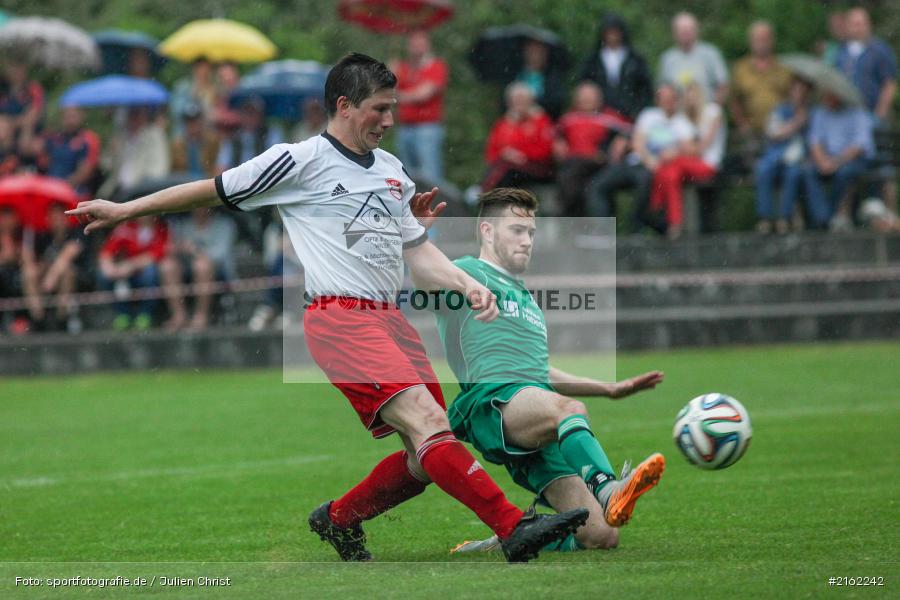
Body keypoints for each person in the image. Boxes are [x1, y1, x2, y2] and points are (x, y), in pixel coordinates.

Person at [67, 53, 589, 563]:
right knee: (430, 421)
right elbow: (211, 190)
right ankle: (514, 527)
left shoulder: (391, 172)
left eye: (393, 108)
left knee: (425, 456)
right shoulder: (298, 160)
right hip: (339, 318)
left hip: (391, 321)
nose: (389, 120)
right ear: (344, 105)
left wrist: (464, 284)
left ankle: (338, 519)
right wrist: (127, 208)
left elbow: (419, 254)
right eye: (379, 109)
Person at [419, 188, 665, 553]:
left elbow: (540, 372)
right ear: (487, 231)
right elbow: (424, 279)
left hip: (532, 410)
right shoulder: (468, 273)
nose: (527, 240)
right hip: (493, 404)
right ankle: (609, 487)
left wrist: (609, 388)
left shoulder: (527, 299)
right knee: (567, 409)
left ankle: (509, 536)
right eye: (517, 230)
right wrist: (416, 236)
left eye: (531, 233)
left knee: (600, 536)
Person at [649, 82, 724, 239]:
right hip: (687, 165)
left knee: (670, 164)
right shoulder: (683, 119)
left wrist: (675, 152)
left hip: (708, 164)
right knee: (671, 175)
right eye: (687, 98)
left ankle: (656, 205)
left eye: (694, 97)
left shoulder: (713, 112)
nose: (691, 101)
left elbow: (701, 149)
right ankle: (674, 223)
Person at [553, 82, 631, 216]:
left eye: (590, 97)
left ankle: (567, 219)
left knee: (570, 176)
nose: (586, 100)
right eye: (583, 97)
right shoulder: (569, 118)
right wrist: (558, 142)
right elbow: (554, 133)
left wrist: (623, 140)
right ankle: (575, 220)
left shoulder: (609, 117)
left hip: (599, 160)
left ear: (599, 99)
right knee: (572, 177)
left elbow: (630, 130)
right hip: (573, 162)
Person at [802, 91, 875, 230]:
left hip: (852, 160)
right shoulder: (820, 113)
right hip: (826, 159)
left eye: (830, 95)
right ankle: (822, 217)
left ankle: (829, 216)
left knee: (844, 173)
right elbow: (815, 142)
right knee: (807, 171)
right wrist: (822, 161)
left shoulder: (857, 113)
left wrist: (835, 162)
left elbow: (859, 146)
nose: (826, 99)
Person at [160, 208, 237, 331]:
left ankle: (201, 315)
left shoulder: (224, 224)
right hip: (187, 269)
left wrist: (195, 251)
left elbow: (220, 255)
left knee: (201, 266)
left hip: (217, 271)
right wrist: (179, 248)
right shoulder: (182, 224)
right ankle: (179, 315)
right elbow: (171, 249)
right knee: (167, 266)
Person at [754, 77, 814, 233]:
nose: (799, 94)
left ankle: (784, 218)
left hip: (798, 160)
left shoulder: (813, 113)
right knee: (763, 170)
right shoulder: (781, 110)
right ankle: (765, 218)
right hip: (776, 157)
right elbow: (773, 133)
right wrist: (796, 123)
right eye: (796, 90)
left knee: (793, 174)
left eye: (803, 91)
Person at [729, 21, 792, 164]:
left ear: (772, 41)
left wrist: (787, 125)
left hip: (779, 130)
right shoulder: (741, 68)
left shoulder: (784, 68)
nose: (761, 43)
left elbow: (793, 99)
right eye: (757, 39)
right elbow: (734, 100)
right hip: (752, 131)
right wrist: (742, 124)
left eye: (764, 39)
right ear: (751, 41)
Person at [392, 31, 449, 185]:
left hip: (427, 128)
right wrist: (390, 73)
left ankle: (435, 206)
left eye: (420, 43)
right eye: (413, 43)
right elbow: (387, 91)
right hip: (405, 127)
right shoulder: (403, 68)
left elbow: (422, 95)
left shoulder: (436, 66)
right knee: (406, 175)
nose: (417, 47)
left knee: (430, 174)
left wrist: (399, 95)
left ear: (427, 45)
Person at [20, 202, 85, 332]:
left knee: (66, 272)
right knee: (29, 274)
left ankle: (62, 319)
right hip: (47, 278)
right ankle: (38, 319)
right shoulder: (44, 236)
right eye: (53, 217)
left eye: (60, 217)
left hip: (78, 278)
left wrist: (51, 277)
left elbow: (67, 256)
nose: (57, 221)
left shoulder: (76, 232)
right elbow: (40, 261)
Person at [96, 216, 169, 331]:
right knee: (103, 275)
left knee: (150, 273)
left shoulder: (162, 229)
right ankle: (122, 314)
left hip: (144, 272)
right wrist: (109, 268)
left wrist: (131, 265)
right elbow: (106, 252)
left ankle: (145, 314)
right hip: (124, 273)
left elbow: (158, 253)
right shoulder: (125, 229)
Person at [578, 13, 653, 121]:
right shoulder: (593, 60)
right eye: (609, 32)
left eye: (615, 32)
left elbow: (645, 88)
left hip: (630, 114)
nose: (612, 36)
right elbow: (585, 85)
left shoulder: (636, 59)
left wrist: (637, 110)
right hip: (599, 115)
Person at [481, 82, 554, 192]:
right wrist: (506, 153)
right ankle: (484, 192)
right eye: (515, 100)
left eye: (522, 100)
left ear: (531, 101)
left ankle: (482, 191)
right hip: (508, 166)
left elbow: (545, 150)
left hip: (534, 168)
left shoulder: (540, 120)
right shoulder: (504, 123)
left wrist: (521, 155)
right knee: (503, 168)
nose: (519, 104)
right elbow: (491, 152)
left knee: (506, 171)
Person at [834, 7, 897, 125]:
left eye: (861, 24)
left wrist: (880, 113)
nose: (858, 28)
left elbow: (889, 84)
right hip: (844, 113)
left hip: (870, 113)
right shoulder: (841, 52)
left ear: (868, 25)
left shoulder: (880, 50)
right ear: (847, 26)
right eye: (854, 24)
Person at [25, 107, 101, 196]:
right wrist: (28, 125)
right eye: (67, 116)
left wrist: (61, 189)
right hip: (50, 189)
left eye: (73, 116)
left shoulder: (88, 140)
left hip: (76, 192)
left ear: (82, 116)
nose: (70, 120)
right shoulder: (54, 137)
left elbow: (85, 172)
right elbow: (27, 149)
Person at [658, 12, 729, 105]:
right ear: (674, 33)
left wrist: (714, 108)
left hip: (707, 113)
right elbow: (663, 90)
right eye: (682, 30)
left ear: (696, 30)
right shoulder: (667, 58)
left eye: (689, 29)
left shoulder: (710, 54)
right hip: (678, 116)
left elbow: (723, 84)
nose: (686, 33)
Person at [100, 107, 170, 198]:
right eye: (131, 114)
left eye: (137, 114)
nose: (134, 117)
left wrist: (146, 185)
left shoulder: (155, 135)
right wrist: (111, 152)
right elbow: (105, 167)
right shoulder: (120, 136)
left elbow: (159, 168)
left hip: (142, 190)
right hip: (117, 189)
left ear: (145, 116)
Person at [514, 37, 567, 119]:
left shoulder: (552, 76)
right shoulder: (517, 75)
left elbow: (556, 101)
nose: (534, 56)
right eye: (531, 52)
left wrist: (534, 106)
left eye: (538, 52)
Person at [170, 103, 220, 178]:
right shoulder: (176, 144)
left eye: (196, 121)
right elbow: (173, 169)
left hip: (207, 182)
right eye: (189, 121)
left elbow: (217, 165)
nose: (193, 125)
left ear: (202, 121)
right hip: (183, 183)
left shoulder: (213, 141)